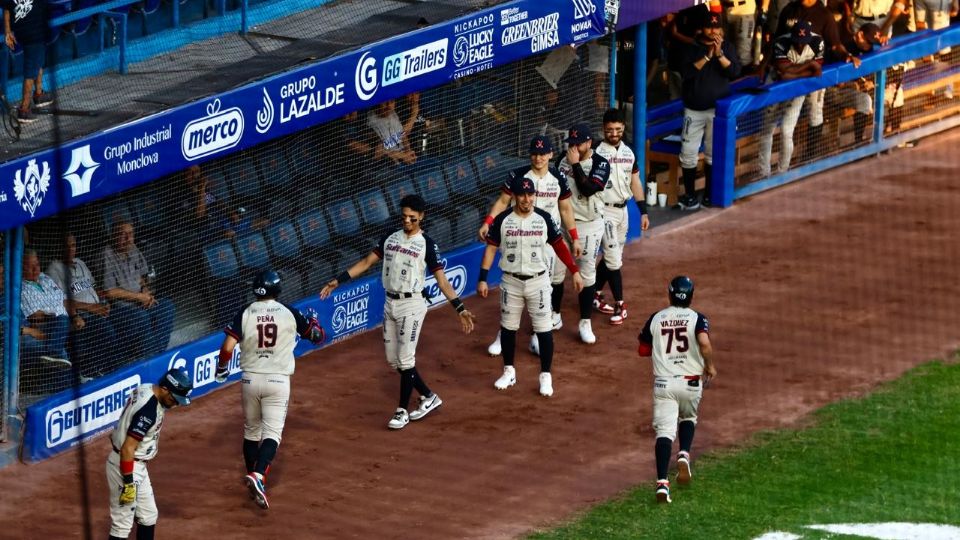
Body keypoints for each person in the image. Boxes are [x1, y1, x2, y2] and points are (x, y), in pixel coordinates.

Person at [321, 195, 475, 429]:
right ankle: (429, 396)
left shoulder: (427, 245)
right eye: (404, 217)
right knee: (395, 361)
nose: (407, 221)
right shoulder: (390, 238)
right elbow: (366, 262)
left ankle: (401, 411)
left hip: (412, 305)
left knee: (405, 359)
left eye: (412, 218)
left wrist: (460, 308)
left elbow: (442, 282)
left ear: (421, 217)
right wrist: (337, 281)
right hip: (390, 303)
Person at [213, 270, 325, 510]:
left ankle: (253, 480)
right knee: (272, 433)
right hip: (277, 381)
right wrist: (314, 323)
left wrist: (222, 369)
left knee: (251, 430)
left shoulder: (245, 312)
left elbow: (228, 346)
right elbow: (317, 337)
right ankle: (259, 475)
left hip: (250, 380)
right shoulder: (289, 312)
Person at [477, 176, 583, 397]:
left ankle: (545, 376)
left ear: (534, 195)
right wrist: (483, 278)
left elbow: (560, 247)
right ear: (514, 196)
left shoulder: (544, 218)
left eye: (530, 194)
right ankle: (509, 372)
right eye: (522, 195)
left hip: (539, 281)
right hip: (511, 281)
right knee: (507, 328)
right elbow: (490, 249)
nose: (527, 199)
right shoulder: (503, 219)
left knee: (544, 330)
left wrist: (574, 271)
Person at [479, 135, 581, 357]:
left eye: (543, 153)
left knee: (544, 287)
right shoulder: (518, 176)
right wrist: (488, 222)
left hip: (547, 241)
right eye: (535, 153)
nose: (539, 158)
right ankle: (503, 333)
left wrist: (574, 237)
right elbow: (503, 202)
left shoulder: (559, 178)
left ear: (551, 154)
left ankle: (538, 331)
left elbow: (565, 210)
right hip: (518, 236)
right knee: (514, 285)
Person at [637, 276, 717, 504]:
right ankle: (684, 454)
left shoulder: (656, 318)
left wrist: (661, 351)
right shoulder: (698, 318)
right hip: (691, 382)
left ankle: (662, 483)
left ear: (670, 294)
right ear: (691, 295)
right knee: (688, 416)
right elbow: (704, 343)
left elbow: (642, 349)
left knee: (664, 432)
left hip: (664, 384)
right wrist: (709, 365)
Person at [106, 368, 193, 540]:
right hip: (126, 465)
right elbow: (128, 448)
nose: (175, 404)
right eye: (174, 399)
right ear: (165, 388)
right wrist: (129, 482)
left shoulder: (146, 388)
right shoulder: (148, 411)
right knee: (122, 525)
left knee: (148, 515)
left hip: (135, 464)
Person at [774, 0, 861, 162]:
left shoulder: (824, 15)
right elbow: (777, 39)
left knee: (815, 111)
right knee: (786, 121)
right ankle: (785, 164)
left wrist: (847, 55)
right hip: (790, 75)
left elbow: (835, 45)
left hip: (814, 76)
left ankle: (811, 154)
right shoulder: (789, 10)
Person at [676, 13, 741, 210]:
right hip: (693, 110)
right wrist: (707, 56)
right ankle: (689, 195)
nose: (714, 31)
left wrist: (720, 54)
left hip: (717, 111)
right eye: (709, 27)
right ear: (702, 29)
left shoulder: (727, 47)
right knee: (688, 153)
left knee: (713, 153)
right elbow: (686, 73)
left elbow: (735, 72)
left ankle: (709, 194)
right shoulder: (690, 47)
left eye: (716, 27)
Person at [592, 108, 650, 324]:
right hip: (603, 211)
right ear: (603, 129)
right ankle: (620, 304)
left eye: (617, 129)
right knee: (614, 259)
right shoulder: (595, 151)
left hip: (623, 210)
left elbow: (635, 182)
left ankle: (595, 294)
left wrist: (643, 210)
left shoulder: (629, 152)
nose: (614, 133)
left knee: (612, 257)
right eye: (609, 130)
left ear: (623, 128)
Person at [557, 123, 611, 345]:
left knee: (587, 274)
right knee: (555, 272)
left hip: (588, 225)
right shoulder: (563, 158)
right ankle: (554, 315)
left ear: (589, 143)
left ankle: (585, 322)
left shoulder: (600, 163)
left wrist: (576, 165)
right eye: (571, 143)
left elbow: (587, 190)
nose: (573, 148)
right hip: (562, 223)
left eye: (578, 144)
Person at [47, 233, 123, 375]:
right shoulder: (54, 268)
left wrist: (104, 302)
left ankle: (114, 372)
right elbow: (60, 301)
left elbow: (94, 287)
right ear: (58, 248)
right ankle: (88, 373)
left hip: (99, 311)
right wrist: (91, 308)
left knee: (125, 321)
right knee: (108, 333)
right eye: (66, 246)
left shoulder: (80, 262)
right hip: (81, 317)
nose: (70, 249)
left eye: (73, 245)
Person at [757, 20, 826, 178]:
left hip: (798, 90)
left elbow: (816, 72)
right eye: (798, 42)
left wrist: (793, 72)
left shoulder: (817, 42)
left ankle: (783, 173)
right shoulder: (782, 42)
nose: (800, 45)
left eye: (804, 42)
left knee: (787, 131)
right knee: (767, 130)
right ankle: (763, 174)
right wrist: (808, 66)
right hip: (775, 85)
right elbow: (783, 73)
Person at [101, 221, 175, 358]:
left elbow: (141, 277)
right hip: (120, 309)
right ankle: (150, 358)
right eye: (123, 235)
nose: (128, 239)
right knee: (142, 317)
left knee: (167, 307)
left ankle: (158, 355)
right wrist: (139, 297)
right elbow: (109, 292)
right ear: (113, 236)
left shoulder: (133, 248)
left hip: (140, 302)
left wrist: (145, 291)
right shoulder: (106, 255)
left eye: (131, 234)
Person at [2, 0, 53, 123]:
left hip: (30, 32)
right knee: (31, 71)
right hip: (34, 34)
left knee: (38, 62)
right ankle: (24, 110)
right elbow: (7, 8)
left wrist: (8, 31)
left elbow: (6, 10)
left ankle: (39, 95)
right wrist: (7, 32)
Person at [20, 249, 71, 369]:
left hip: (62, 321)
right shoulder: (21, 287)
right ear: (21, 268)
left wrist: (74, 316)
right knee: (62, 351)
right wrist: (58, 314)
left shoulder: (45, 278)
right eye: (30, 266)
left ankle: (54, 356)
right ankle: (54, 353)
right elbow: (35, 316)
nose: (35, 269)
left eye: (36, 264)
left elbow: (63, 299)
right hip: (46, 324)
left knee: (89, 324)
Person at [367, 96, 419, 166]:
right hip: (386, 163)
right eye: (385, 103)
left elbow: (402, 135)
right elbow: (382, 150)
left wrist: (408, 151)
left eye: (392, 102)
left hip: (402, 156)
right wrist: (403, 156)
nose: (389, 106)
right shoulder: (371, 120)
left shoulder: (392, 113)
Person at [724, 0, 771, 67]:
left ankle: (747, 74)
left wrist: (764, 8)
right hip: (723, 8)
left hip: (744, 8)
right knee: (724, 47)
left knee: (743, 54)